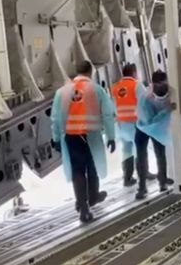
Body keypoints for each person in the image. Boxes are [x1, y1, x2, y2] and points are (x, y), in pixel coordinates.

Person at [51, 60, 116, 223]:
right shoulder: (97, 90)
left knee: (77, 171)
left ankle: (83, 208)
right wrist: (111, 136)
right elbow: (108, 114)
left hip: (71, 137)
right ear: (90, 72)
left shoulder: (62, 92)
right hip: (91, 135)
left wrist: (56, 139)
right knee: (92, 167)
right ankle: (92, 197)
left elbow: (55, 118)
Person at [111, 63, 155, 187]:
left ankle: (127, 178)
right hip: (135, 124)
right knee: (140, 149)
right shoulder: (136, 85)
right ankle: (144, 173)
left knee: (126, 150)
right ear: (134, 73)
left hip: (121, 124)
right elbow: (144, 104)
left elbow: (113, 105)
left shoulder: (115, 87)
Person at [134, 70, 176, 197]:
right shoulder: (146, 98)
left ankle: (162, 181)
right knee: (141, 155)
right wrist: (167, 110)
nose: (162, 88)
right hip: (143, 126)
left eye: (164, 85)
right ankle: (142, 187)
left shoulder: (171, 92)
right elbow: (149, 120)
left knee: (160, 153)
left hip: (158, 127)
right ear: (153, 85)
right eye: (158, 86)